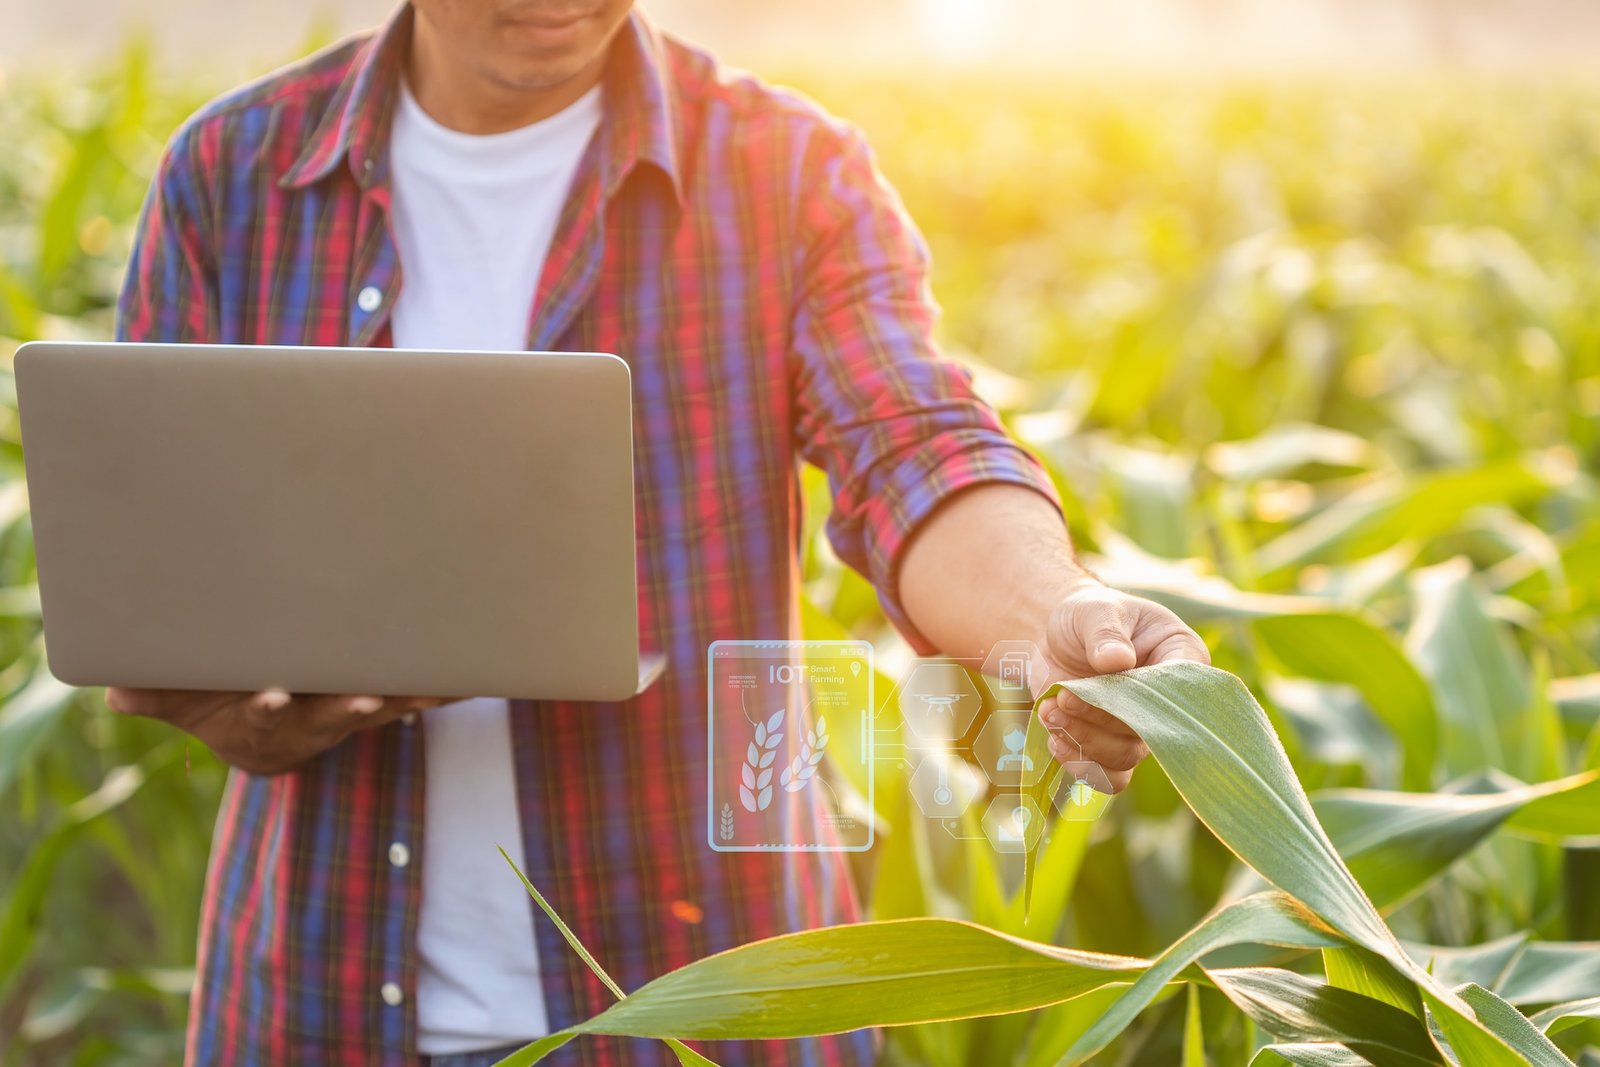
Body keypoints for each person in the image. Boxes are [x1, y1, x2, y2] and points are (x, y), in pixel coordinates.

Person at [105, 1, 1210, 1064]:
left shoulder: (785, 168)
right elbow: (155, 565)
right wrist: (211, 698)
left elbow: (910, 441)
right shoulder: (230, 173)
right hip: (315, 992)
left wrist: (1051, 612)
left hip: (713, 988)